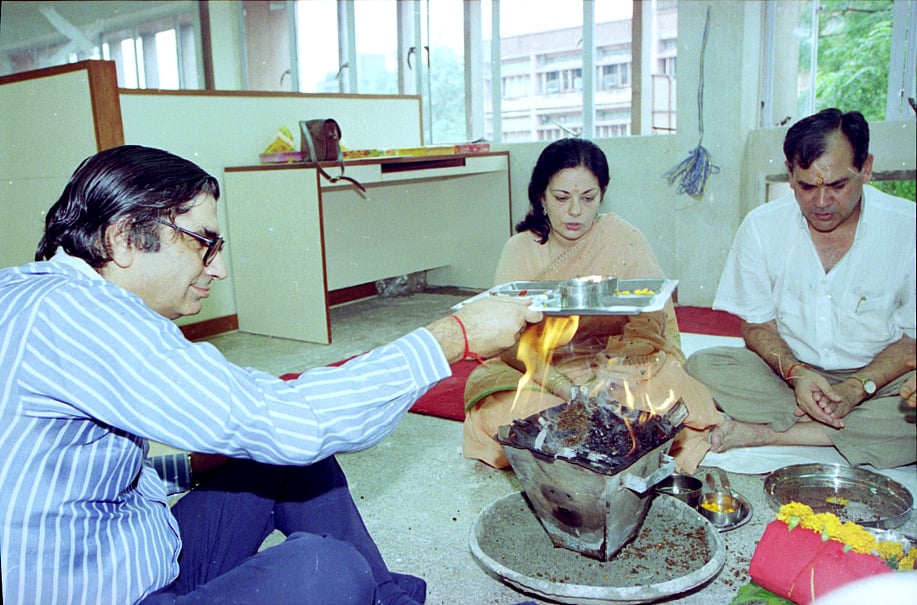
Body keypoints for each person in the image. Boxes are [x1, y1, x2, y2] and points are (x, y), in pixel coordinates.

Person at [0, 145, 542, 605]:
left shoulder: (36, 293)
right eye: (202, 241)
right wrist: (456, 335)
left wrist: (192, 465)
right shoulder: (89, 320)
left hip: (122, 548)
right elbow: (293, 420)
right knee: (324, 570)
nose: (217, 267)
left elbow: (70, 474)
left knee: (286, 461)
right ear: (122, 238)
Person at [462, 138, 722, 473]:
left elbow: (651, 318)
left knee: (664, 392)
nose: (575, 211)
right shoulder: (521, 249)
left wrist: (614, 372)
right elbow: (509, 341)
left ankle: (583, 445)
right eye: (561, 197)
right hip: (541, 369)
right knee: (505, 410)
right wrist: (564, 387)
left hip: (613, 361)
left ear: (602, 194)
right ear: (541, 196)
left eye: (588, 198)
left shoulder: (621, 237)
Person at [685, 108, 916, 469]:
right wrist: (798, 374)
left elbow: (912, 340)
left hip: (879, 380)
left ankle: (771, 433)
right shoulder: (761, 227)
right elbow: (758, 327)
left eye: (838, 186)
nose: (821, 202)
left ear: (866, 168)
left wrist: (857, 387)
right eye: (807, 186)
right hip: (791, 378)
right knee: (703, 365)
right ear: (790, 175)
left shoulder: (907, 228)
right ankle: (843, 431)